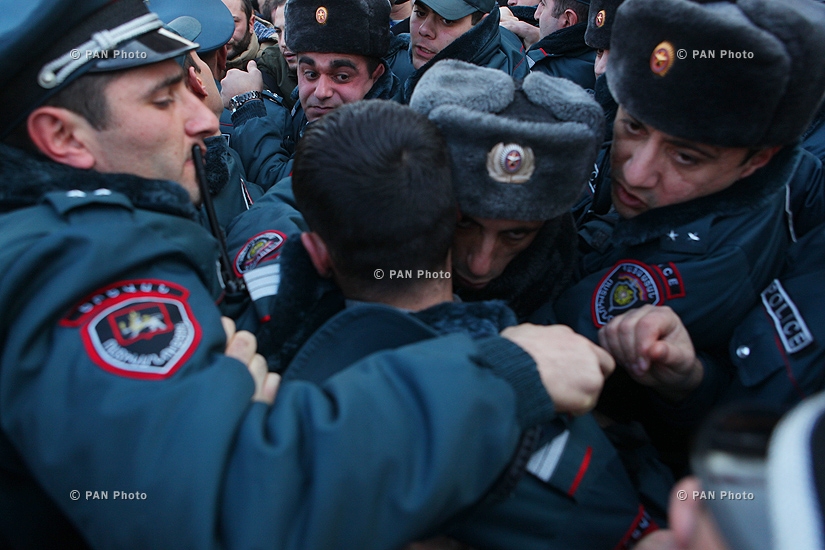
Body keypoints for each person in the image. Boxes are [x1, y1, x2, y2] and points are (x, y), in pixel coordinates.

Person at [0, 0, 617, 547]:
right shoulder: (82, 265)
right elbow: (229, 505)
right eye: (163, 99)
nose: (207, 118)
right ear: (62, 136)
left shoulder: (85, 235)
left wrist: (212, 391)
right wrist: (505, 376)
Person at [277, 97, 668, 550]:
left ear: (316, 252)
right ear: (449, 218)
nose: (482, 263)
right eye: (471, 228)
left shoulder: (288, 406)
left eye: (514, 235)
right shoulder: (535, 422)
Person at [551, 0, 825, 468]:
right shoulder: (705, 191)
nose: (636, 173)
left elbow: (549, 330)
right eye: (633, 125)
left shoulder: (707, 264)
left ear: (757, 161)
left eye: (686, 158)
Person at [407, 59, 603, 320]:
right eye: (464, 224)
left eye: (516, 235)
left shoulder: (575, 298)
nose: (480, 265)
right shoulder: (370, 265)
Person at [220, 0, 400, 189]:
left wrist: (247, 105)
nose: (321, 92)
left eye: (341, 76)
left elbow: (278, 184)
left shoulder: (377, 144)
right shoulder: (306, 108)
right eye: (311, 74)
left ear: (376, 74)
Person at [399, 0, 529, 102]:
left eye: (447, 21)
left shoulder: (497, 99)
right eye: (421, 13)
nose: (424, 30)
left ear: (482, 26)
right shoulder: (394, 56)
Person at [525, 0, 596, 90]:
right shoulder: (593, 60)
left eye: (543, 4)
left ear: (567, 21)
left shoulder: (546, 77)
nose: (536, 15)